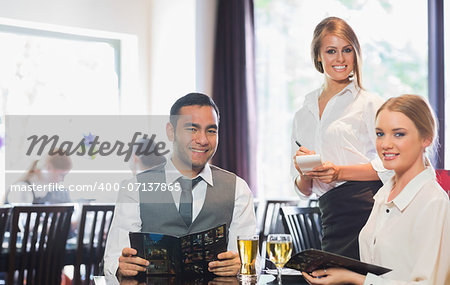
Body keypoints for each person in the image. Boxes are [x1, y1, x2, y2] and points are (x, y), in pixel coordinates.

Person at [103, 93, 256, 278]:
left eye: (211, 130)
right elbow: (112, 259)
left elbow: (253, 260)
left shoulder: (237, 189)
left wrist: (241, 265)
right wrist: (122, 267)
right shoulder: (134, 188)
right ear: (170, 131)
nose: (203, 140)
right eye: (192, 129)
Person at [302, 95, 450, 284]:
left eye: (399, 134)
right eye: (380, 134)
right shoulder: (384, 194)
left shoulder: (433, 202)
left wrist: (354, 278)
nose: (385, 144)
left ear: (426, 138)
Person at [291, 16, 391, 259]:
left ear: (356, 54)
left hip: (368, 210)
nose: (340, 59)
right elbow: (301, 189)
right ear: (318, 56)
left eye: (347, 50)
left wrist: (339, 172)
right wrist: (304, 172)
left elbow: (389, 165)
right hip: (330, 214)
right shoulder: (303, 114)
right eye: (331, 51)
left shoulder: (370, 104)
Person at [5, 151, 73, 204]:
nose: (62, 180)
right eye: (61, 175)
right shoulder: (22, 189)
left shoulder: (47, 192)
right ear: (49, 167)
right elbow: (23, 221)